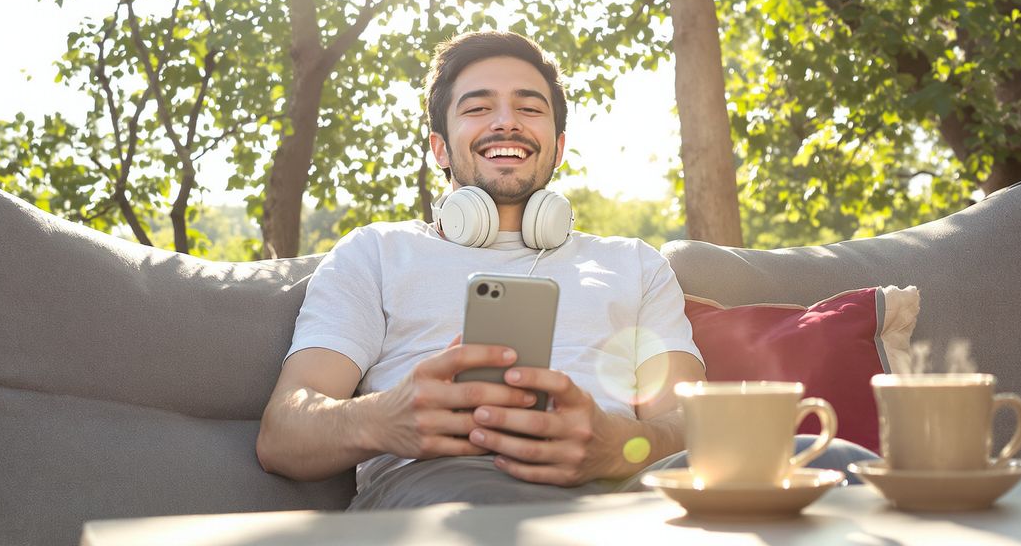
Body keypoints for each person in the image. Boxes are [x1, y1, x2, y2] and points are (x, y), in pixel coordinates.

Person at [256, 31, 872, 510]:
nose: (507, 122)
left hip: (631, 492)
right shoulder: (376, 253)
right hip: (446, 488)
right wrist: (383, 418)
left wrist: (615, 445)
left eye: (530, 108)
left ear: (556, 144)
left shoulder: (633, 264)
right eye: (478, 108)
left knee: (833, 462)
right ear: (440, 148)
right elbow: (284, 432)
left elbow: (686, 421)